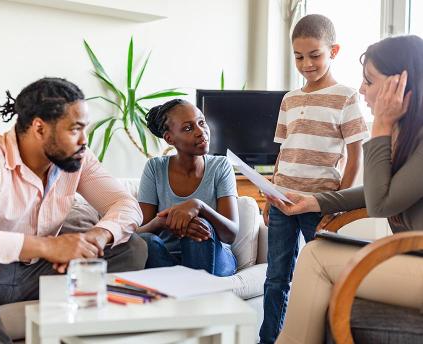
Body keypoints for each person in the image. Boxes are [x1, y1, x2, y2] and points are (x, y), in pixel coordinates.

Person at [265, 35, 422, 344]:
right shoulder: (411, 135)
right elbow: (379, 191)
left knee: (316, 258)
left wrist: (381, 126)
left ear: (399, 85)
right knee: (314, 256)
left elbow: (380, 203)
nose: (362, 89)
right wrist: (313, 201)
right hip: (414, 257)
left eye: (369, 81)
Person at [0, 77, 147, 344]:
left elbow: (126, 204)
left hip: (41, 274)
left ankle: (83, 334)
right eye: (75, 129)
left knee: (133, 247)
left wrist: (98, 236)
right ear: (39, 128)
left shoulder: (76, 157)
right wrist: (46, 247)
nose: (85, 140)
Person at [259, 14, 369, 344]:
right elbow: (283, 151)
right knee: (276, 277)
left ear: (333, 50)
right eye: (299, 56)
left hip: (319, 205)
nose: (306, 64)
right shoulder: (289, 99)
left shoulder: (346, 96)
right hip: (282, 202)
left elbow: (354, 155)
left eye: (314, 55)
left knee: (324, 275)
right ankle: (269, 339)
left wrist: (337, 203)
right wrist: (270, 194)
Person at [136, 99, 238, 277]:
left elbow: (231, 234)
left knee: (199, 227)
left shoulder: (221, 166)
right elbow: (139, 232)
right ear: (170, 138)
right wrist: (162, 222)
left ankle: (194, 294)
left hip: (215, 256)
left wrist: (199, 206)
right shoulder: (155, 168)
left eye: (201, 122)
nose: (201, 132)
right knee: (145, 241)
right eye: (188, 128)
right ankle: (185, 289)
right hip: (167, 259)